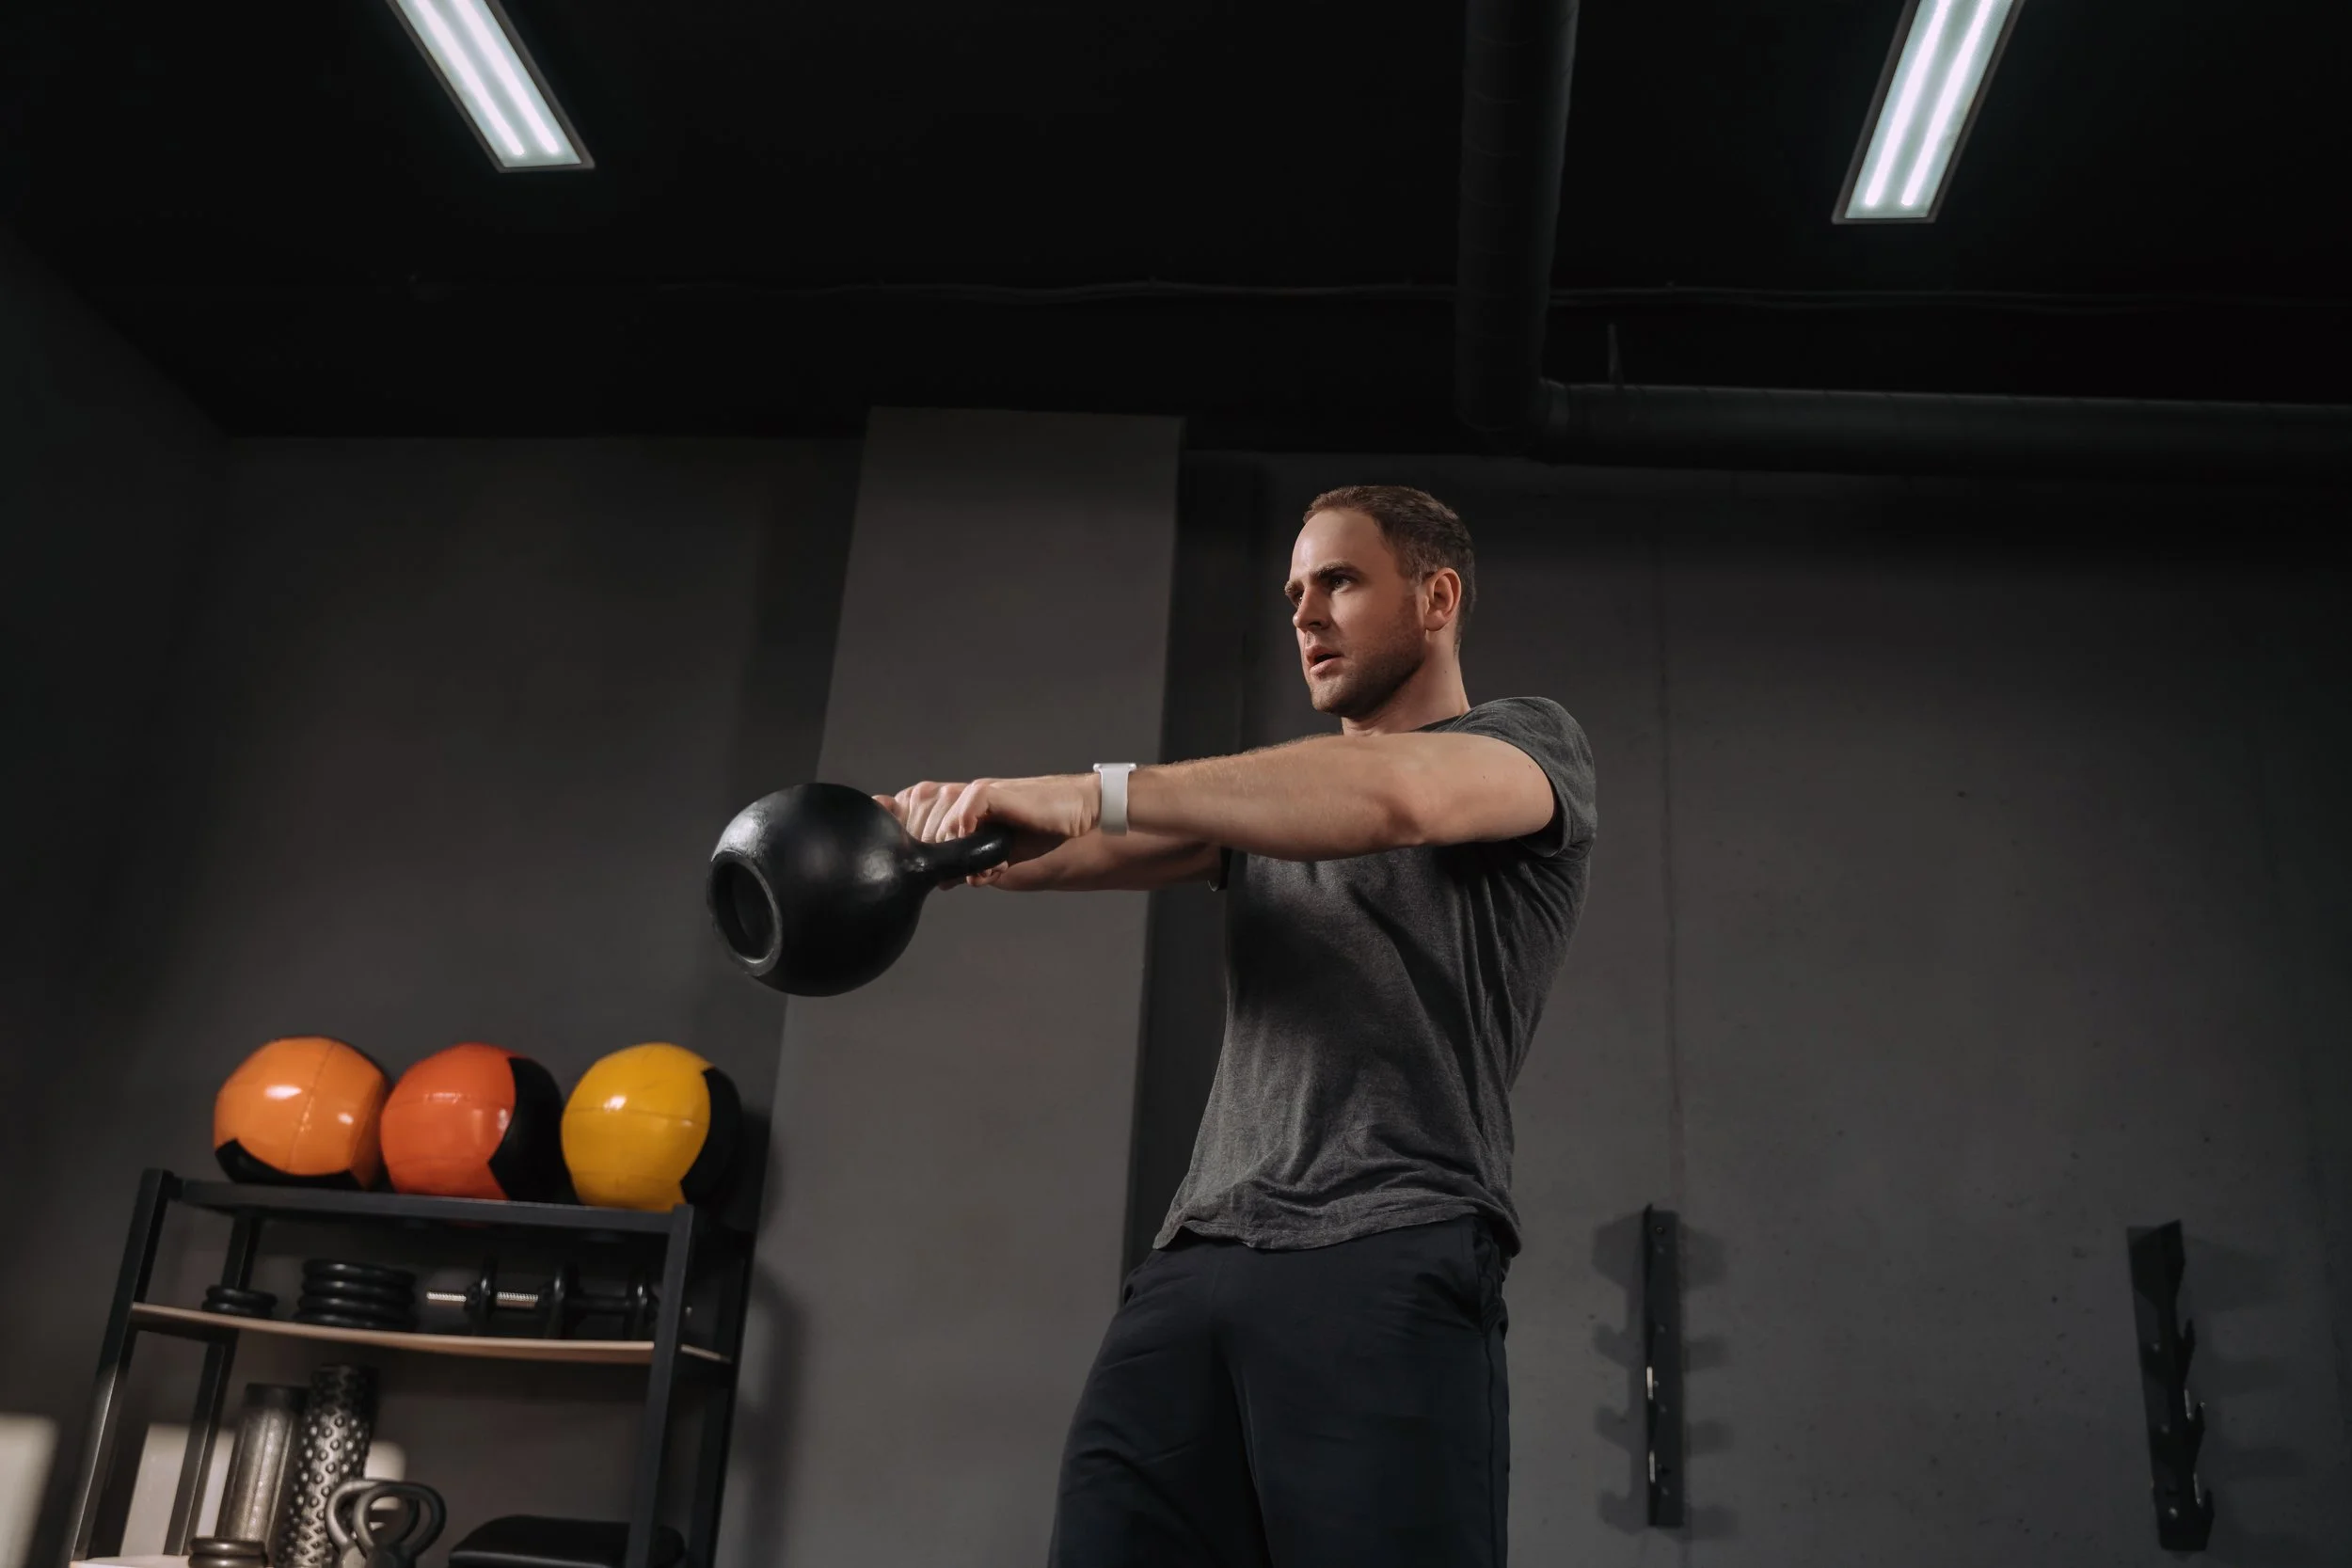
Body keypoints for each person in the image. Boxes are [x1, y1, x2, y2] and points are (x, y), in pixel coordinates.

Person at [879, 484, 1597, 1567]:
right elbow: (1065, 848)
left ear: (1437, 597)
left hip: (1385, 1243)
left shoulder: (1524, 746)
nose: (1305, 614)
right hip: (1195, 1261)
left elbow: (1394, 800)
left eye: (1340, 582)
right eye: (1295, 592)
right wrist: (916, 838)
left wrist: (1092, 790)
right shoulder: (1261, 808)